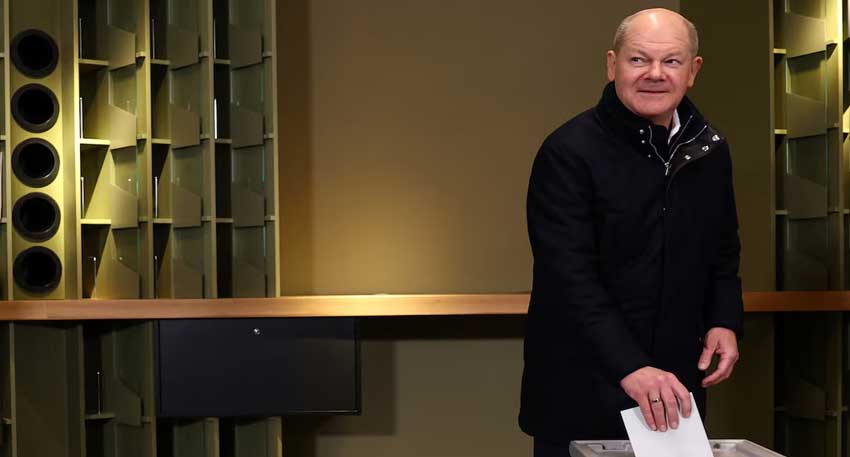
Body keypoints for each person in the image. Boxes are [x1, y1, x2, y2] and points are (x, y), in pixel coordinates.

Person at [518, 8, 743, 456]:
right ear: (612, 64)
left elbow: (722, 250)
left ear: (693, 71)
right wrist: (632, 367)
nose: (655, 74)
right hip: (582, 387)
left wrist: (724, 319)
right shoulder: (568, 151)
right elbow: (569, 278)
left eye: (672, 62)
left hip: (675, 390)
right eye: (639, 60)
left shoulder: (710, 150)